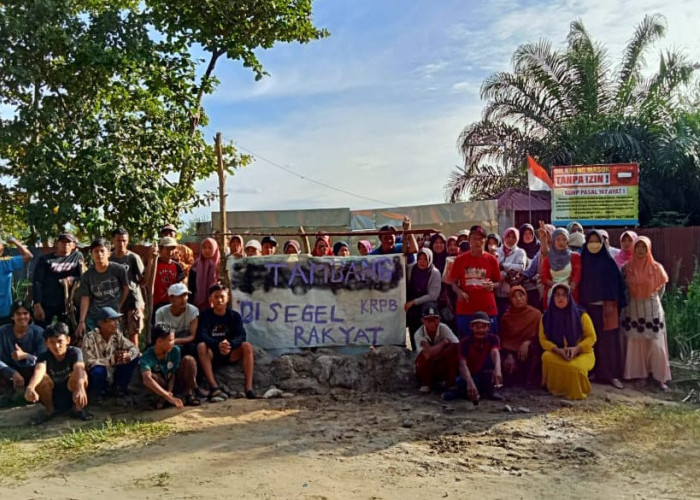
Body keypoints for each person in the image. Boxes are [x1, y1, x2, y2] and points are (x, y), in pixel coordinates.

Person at [621, 236, 671, 390]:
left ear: (649, 248)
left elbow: (661, 289)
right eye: (638, 247)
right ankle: (640, 375)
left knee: (656, 344)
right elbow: (624, 288)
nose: (641, 250)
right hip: (634, 309)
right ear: (634, 249)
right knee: (636, 343)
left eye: (644, 247)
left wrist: (650, 299)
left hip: (652, 309)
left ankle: (659, 376)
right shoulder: (626, 268)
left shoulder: (656, 267)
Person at [579, 230, 627, 389]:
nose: (594, 244)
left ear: (602, 243)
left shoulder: (609, 262)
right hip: (589, 307)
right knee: (593, 340)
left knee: (609, 342)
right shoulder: (583, 260)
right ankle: (594, 372)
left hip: (608, 308)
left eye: (596, 241)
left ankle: (611, 375)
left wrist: (613, 304)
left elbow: (617, 286)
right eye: (590, 241)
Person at [197, 284, 255, 400]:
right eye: (216, 297)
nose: (219, 300)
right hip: (212, 353)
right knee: (201, 346)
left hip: (230, 352)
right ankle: (214, 387)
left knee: (247, 346)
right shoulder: (205, 315)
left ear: (228, 298)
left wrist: (230, 344)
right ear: (210, 299)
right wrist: (217, 344)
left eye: (222, 297)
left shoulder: (234, 316)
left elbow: (241, 335)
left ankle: (249, 388)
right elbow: (201, 335)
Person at [24, 322, 91, 423]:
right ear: (46, 343)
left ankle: (77, 408)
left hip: (71, 392)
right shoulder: (44, 356)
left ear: (68, 340)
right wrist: (30, 387)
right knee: (42, 379)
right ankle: (50, 410)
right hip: (52, 395)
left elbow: (79, 367)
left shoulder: (75, 352)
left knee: (81, 374)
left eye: (60, 341)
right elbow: (39, 370)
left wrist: (81, 387)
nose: (56, 345)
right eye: (52, 342)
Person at [539, 283, 596, 400]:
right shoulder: (546, 317)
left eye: (564, 295)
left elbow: (592, 337)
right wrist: (557, 350)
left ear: (569, 298)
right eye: (557, 295)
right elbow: (543, 340)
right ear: (552, 298)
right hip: (558, 353)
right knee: (546, 356)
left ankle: (576, 391)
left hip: (582, 353)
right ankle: (557, 389)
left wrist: (576, 349)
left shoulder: (581, 315)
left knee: (575, 368)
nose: (561, 298)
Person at [449, 225, 501, 338]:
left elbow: (498, 282)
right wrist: (459, 292)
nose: (477, 242)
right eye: (474, 238)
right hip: (465, 308)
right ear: (469, 240)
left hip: (487, 308)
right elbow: (452, 282)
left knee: (490, 342)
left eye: (480, 238)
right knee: (466, 343)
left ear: (485, 240)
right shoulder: (459, 260)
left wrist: (493, 285)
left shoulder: (492, 259)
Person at [76, 239, 129, 342]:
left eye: (102, 251)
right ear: (91, 254)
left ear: (108, 253)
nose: (99, 254)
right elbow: (85, 298)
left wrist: (119, 306)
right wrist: (81, 321)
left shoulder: (119, 270)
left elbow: (126, 289)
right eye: (96, 251)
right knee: (94, 343)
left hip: (114, 313)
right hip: (95, 314)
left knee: (115, 342)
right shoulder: (87, 276)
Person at [442, 312, 503, 402]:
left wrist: (498, 369)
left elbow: (495, 353)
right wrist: (470, 382)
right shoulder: (464, 342)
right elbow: (462, 364)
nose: (480, 330)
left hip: (486, 373)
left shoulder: (493, 338)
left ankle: (489, 390)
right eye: (477, 327)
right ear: (471, 327)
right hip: (470, 374)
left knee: (490, 367)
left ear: (488, 328)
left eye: (484, 327)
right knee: (461, 386)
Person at [81, 307, 140, 400]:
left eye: (116, 320)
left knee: (134, 358)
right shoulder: (89, 338)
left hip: (113, 372)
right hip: (99, 374)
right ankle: (97, 394)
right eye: (112, 320)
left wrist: (128, 355)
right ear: (101, 323)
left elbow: (134, 349)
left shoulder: (116, 335)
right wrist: (112, 360)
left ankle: (119, 389)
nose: (116, 323)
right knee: (98, 371)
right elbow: (88, 362)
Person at [140, 323, 200, 408]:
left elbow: (173, 373)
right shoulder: (147, 356)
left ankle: (188, 394)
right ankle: (161, 399)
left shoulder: (175, 350)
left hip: (174, 384)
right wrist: (167, 395)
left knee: (189, 360)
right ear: (159, 341)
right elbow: (147, 379)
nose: (173, 342)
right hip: (161, 387)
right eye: (170, 340)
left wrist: (170, 391)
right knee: (151, 376)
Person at [32, 232, 84, 328]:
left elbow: (84, 277)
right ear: (57, 244)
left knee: (66, 333)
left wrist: (73, 279)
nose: (66, 245)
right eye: (63, 242)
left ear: (73, 245)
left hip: (68, 305)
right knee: (41, 332)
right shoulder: (45, 259)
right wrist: (37, 305)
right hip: (47, 303)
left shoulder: (78, 256)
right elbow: (37, 282)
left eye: (69, 242)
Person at [109, 227, 146, 346]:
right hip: (115, 301)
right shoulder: (109, 258)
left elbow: (142, 279)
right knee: (116, 334)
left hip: (133, 300)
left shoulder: (133, 257)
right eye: (118, 240)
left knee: (133, 333)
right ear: (113, 241)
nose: (121, 243)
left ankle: (135, 360)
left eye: (124, 240)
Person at [499, 286, 542, 387]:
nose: (518, 299)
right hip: (511, 351)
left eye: (521, 295)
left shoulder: (536, 314)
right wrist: (509, 355)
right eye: (514, 297)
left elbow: (540, 335)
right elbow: (503, 338)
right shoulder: (506, 317)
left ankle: (531, 379)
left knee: (535, 349)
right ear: (510, 300)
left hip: (528, 352)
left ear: (526, 297)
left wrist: (528, 342)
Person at [0, 301, 46, 395]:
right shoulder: (2, 332)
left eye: (25, 313)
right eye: (18, 314)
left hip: (31, 371)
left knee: (44, 376)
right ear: (12, 316)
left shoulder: (39, 332)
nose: (22, 317)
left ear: (30, 316)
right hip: (8, 372)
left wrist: (26, 356)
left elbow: (43, 360)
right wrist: (12, 373)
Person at [414, 303, 459, 393]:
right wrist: (443, 343)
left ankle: (450, 382)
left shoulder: (444, 328)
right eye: (428, 320)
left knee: (452, 350)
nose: (432, 323)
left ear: (439, 319)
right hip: (428, 365)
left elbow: (457, 345)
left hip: (440, 362)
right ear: (422, 320)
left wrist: (435, 352)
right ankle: (426, 383)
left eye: (435, 319)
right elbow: (427, 354)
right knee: (423, 358)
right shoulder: (419, 333)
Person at [405, 248, 442, 350]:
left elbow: (433, 295)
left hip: (427, 304)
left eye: (425, 259)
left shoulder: (435, 273)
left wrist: (413, 302)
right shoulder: (411, 269)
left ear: (430, 259)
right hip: (411, 303)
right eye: (420, 258)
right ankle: (414, 350)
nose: (422, 261)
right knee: (413, 324)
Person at [155, 283, 199, 357]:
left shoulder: (193, 311)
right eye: (179, 296)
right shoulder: (161, 312)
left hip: (186, 344)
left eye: (185, 295)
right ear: (171, 298)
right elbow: (159, 334)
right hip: (166, 343)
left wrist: (175, 341)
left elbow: (192, 336)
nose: (183, 299)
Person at [541, 228, 581, 307]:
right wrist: (557, 287)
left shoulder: (575, 256)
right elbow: (544, 277)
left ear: (567, 241)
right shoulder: (548, 258)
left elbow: (577, 274)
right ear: (553, 241)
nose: (561, 242)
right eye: (558, 239)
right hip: (552, 295)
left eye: (564, 239)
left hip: (570, 295)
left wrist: (569, 288)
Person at [150, 237, 186, 319]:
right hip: (157, 303)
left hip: (172, 303)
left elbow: (181, 284)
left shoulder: (177, 266)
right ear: (160, 249)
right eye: (167, 249)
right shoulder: (155, 264)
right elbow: (147, 280)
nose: (170, 252)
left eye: (172, 249)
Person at [494, 227, 527, 317]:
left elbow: (520, 267)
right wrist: (503, 272)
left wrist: (504, 265)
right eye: (508, 236)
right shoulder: (497, 251)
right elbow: (494, 267)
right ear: (504, 237)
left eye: (514, 237)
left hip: (510, 293)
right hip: (495, 292)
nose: (510, 240)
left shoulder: (520, 252)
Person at [0, 237, 33, 325]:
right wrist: (14, 242)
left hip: (3, 311)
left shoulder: (4, 263)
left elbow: (29, 256)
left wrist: (15, 242)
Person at [188, 238, 221, 311]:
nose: (206, 250)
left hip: (217, 304)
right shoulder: (195, 266)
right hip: (198, 306)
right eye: (204, 247)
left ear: (215, 249)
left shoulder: (220, 266)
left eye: (210, 248)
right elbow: (191, 288)